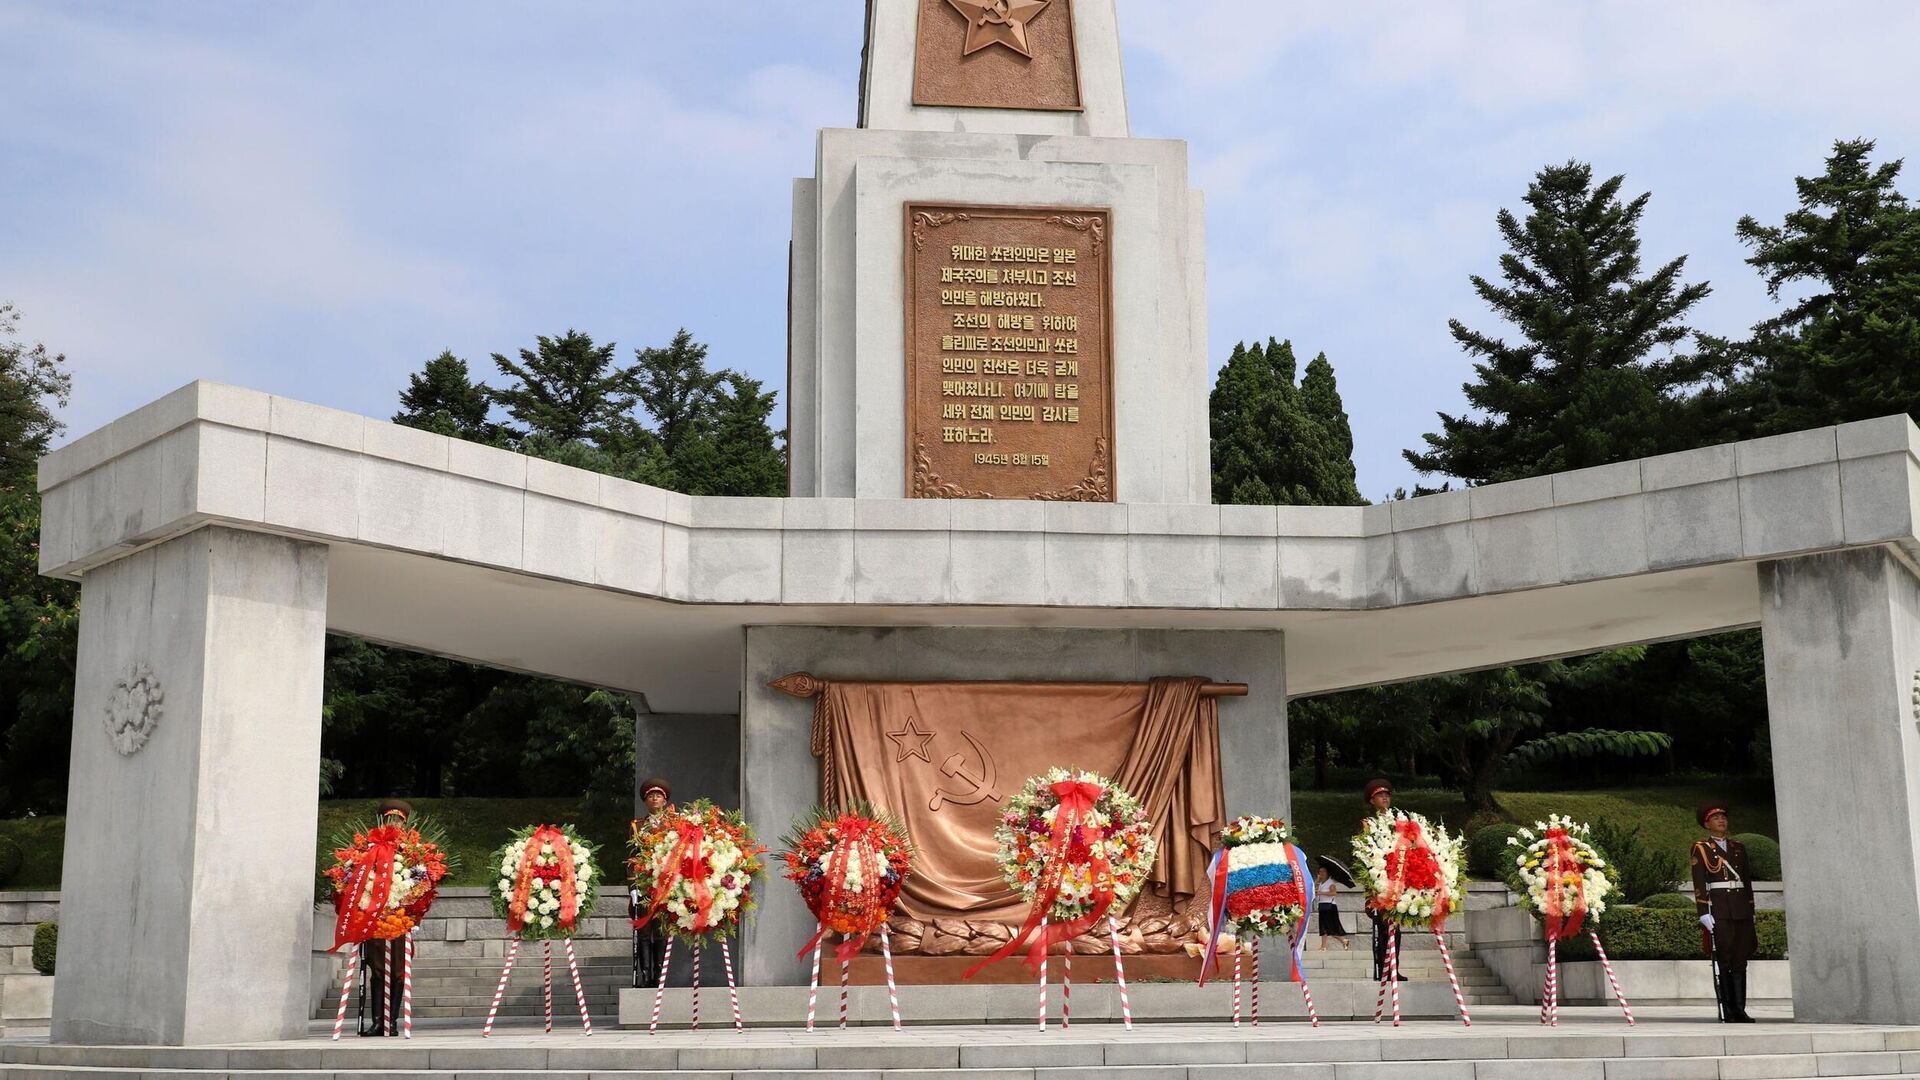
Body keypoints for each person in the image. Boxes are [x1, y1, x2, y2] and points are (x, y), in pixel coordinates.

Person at [1691, 803, 1757, 1023]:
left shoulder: (1738, 847)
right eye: (1716, 818)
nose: (1721, 820)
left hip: (1740, 909)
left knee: (1740, 959)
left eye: (1723, 817)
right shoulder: (1701, 848)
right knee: (1725, 959)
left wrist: (1750, 909)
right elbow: (1699, 880)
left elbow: (1746, 881)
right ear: (1707, 823)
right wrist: (1703, 911)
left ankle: (1740, 1008)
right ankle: (1728, 1009)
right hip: (1719, 909)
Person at [360, 798, 413, 1037]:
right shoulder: (369, 848)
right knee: (378, 969)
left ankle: (392, 1022)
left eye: (399, 821)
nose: (394, 825)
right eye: (390, 820)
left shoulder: (412, 853)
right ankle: (378, 1022)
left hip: (399, 919)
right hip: (375, 919)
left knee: (398, 970)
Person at [1359, 778, 1406, 981]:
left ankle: (1393, 969)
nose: (1385, 798)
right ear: (1372, 801)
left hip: (1399, 882)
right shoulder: (1368, 824)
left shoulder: (1400, 822)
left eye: (1387, 794)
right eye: (1379, 795)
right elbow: (1365, 854)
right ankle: (1383, 970)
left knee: (1396, 930)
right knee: (1384, 929)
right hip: (1380, 882)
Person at [631, 779, 673, 988]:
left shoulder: (673, 825)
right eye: (650, 796)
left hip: (665, 884)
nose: (654, 798)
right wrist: (632, 888)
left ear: (664, 800)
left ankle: (660, 974)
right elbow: (632, 858)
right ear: (646, 801)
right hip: (645, 884)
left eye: (658, 796)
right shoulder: (638, 826)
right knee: (644, 930)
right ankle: (645, 974)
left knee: (662, 929)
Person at [1314, 865, 1351, 950]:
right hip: (1322, 905)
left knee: (1331, 928)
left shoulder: (1330, 883)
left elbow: (1334, 893)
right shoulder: (1321, 883)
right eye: (1320, 871)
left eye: (1324, 871)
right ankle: (1324, 946)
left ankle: (1343, 941)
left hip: (1330, 907)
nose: (1322, 873)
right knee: (1323, 927)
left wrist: (1321, 893)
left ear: (1327, 873)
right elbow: (1313, 889)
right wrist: (1317, 881)